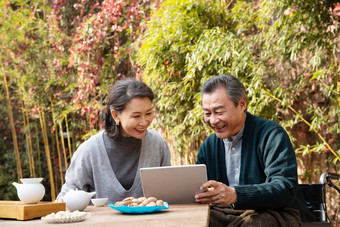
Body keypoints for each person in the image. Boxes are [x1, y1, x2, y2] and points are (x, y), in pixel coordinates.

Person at [195, 74, 313, 226]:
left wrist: (235, 195)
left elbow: (284, 189)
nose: (213, 120)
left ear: (242, 104)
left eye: (219, 112)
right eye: (207, 113)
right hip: (226, 214)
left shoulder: (271, 134)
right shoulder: (208, 147)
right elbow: (200, 191)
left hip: (273, 214)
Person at [56, 79, 171, 203]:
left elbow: (169, 190)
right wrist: (63, 201)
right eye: (136, 116)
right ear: (115, 115)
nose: (144, 122)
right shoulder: (90, 150)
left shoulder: (157, 144)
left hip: (151, 222)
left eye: (148, 113)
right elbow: (69, 193)